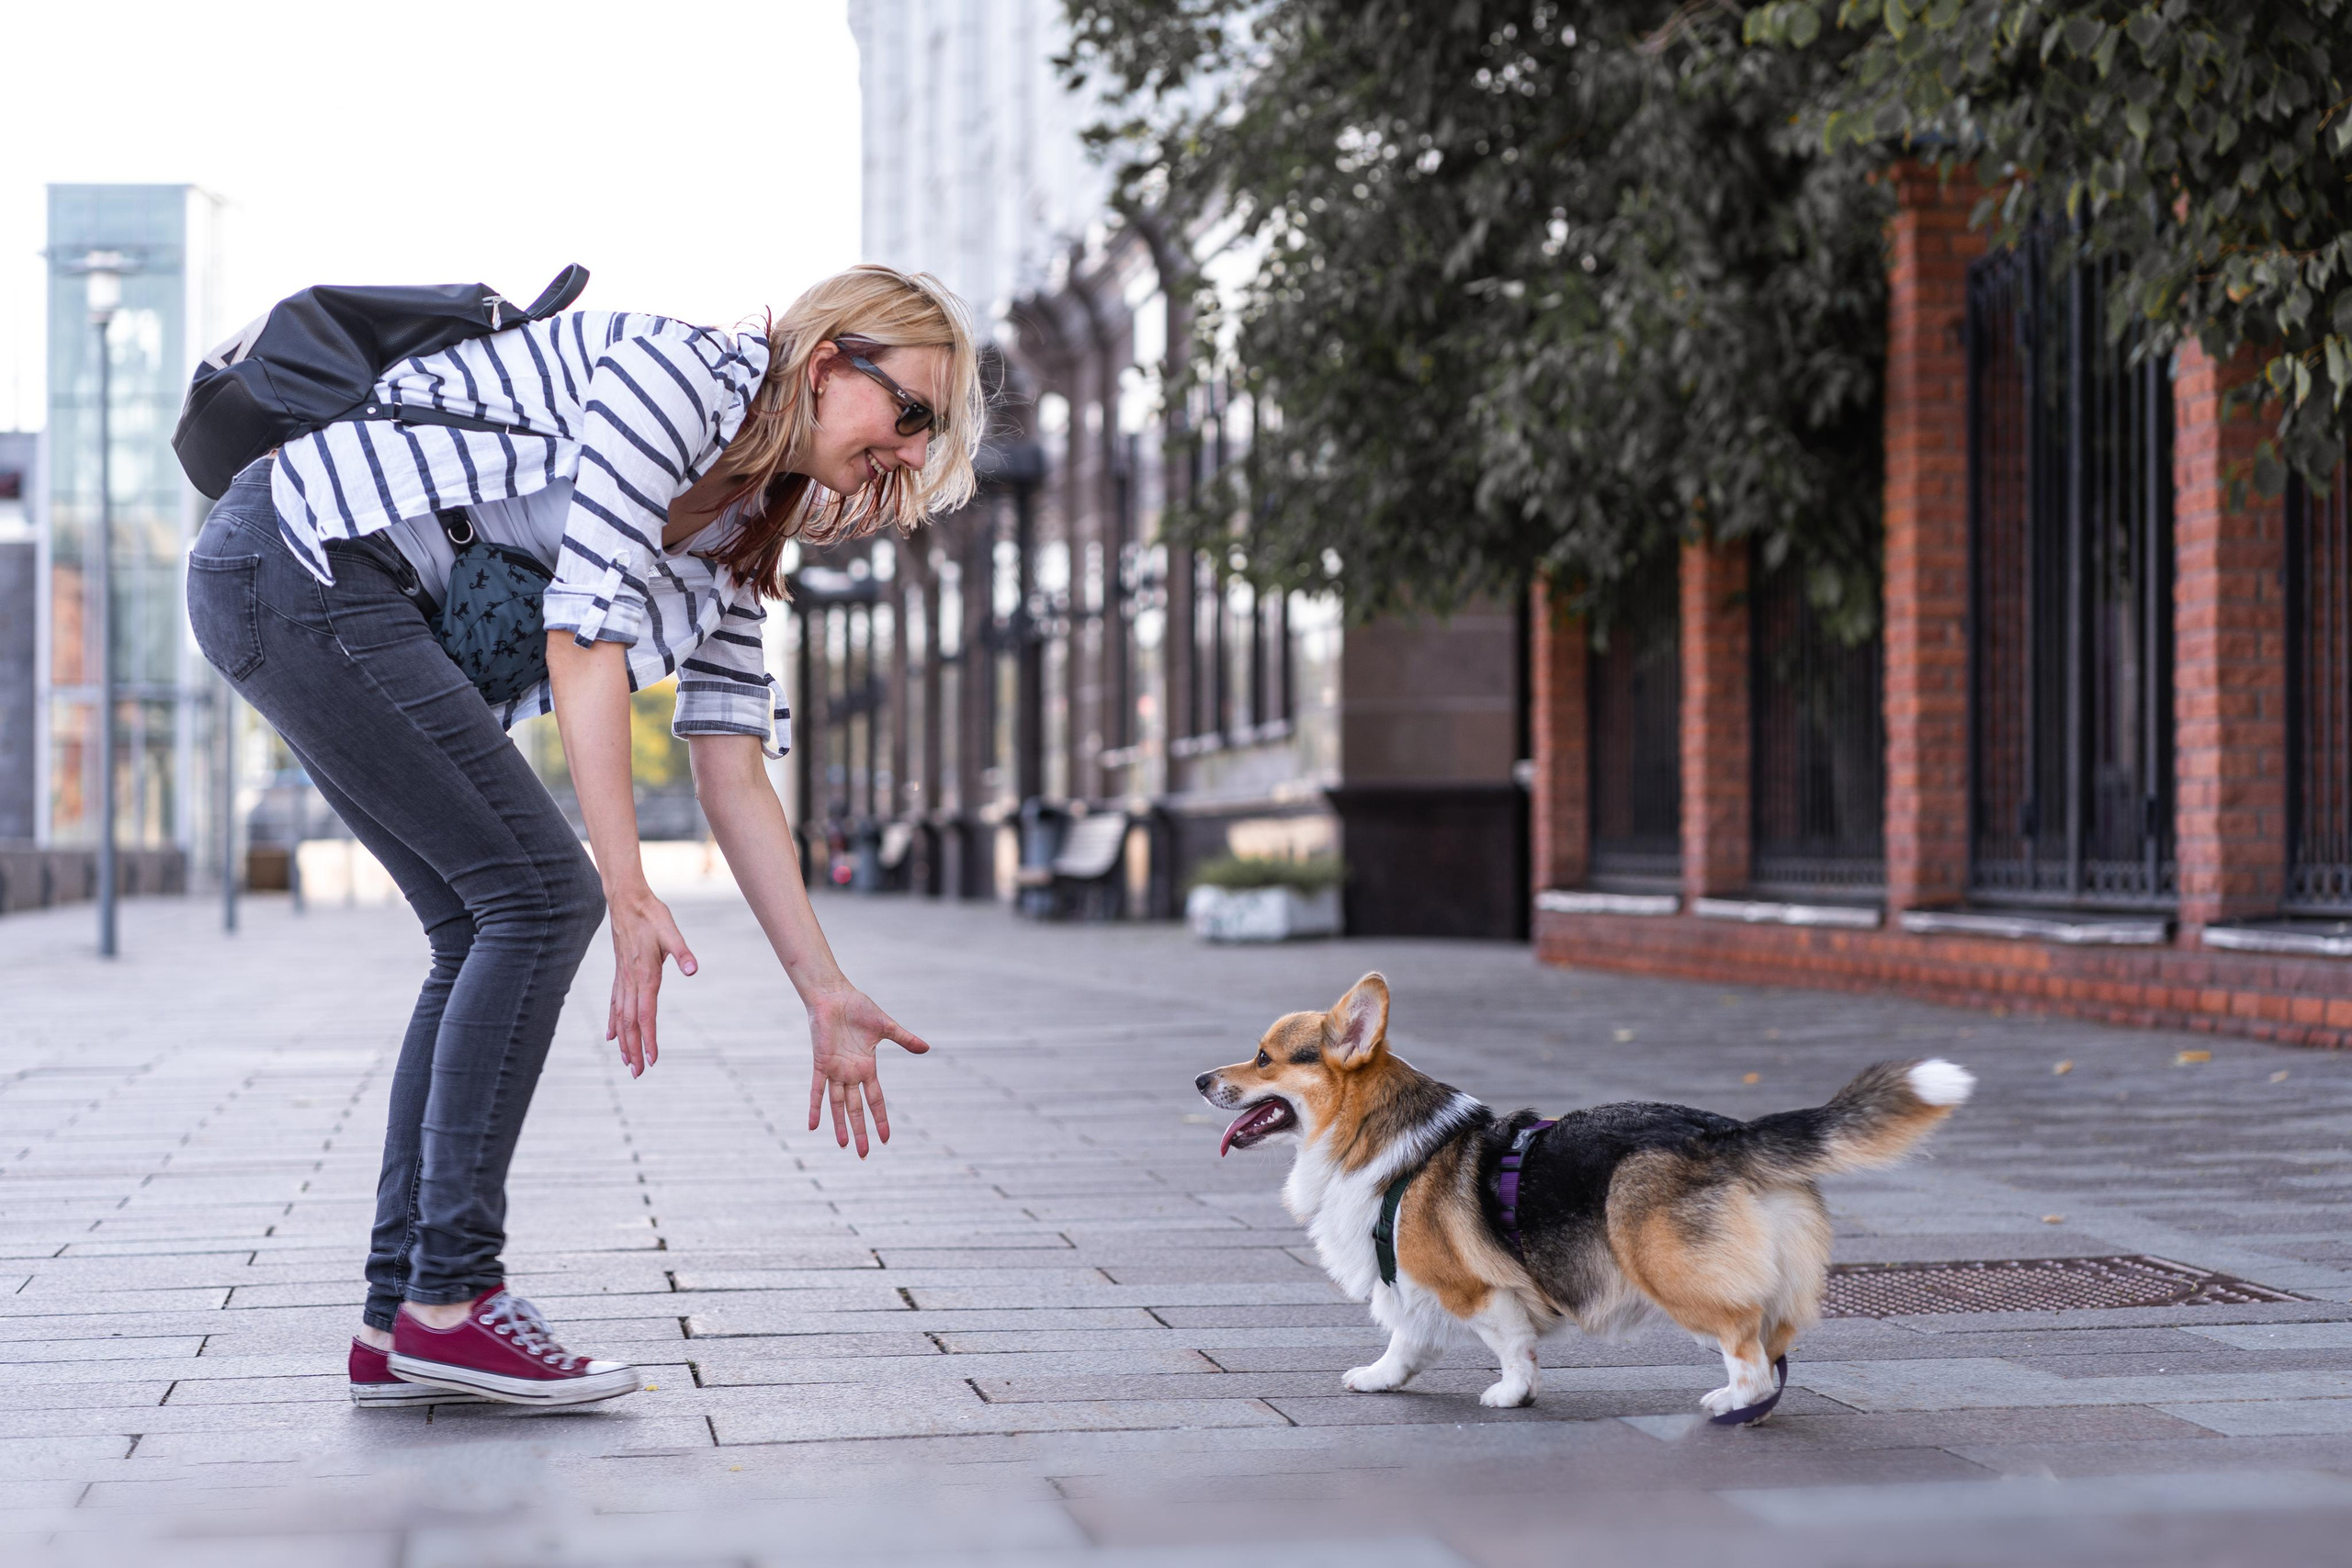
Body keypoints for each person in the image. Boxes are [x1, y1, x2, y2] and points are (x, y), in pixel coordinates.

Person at [185, 265, 981, 1408]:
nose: (911, 452)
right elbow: (584, 641)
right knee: (539, 900)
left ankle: (398, 1318)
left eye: (931, 435)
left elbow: (730, 768)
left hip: (320, 591)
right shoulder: (674, 379)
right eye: (910, 414)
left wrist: (823, 986)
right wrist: (623, 887)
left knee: (482, 922)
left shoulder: (752, 526)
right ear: (826, 363)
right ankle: (450, 1303)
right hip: (298, 559)